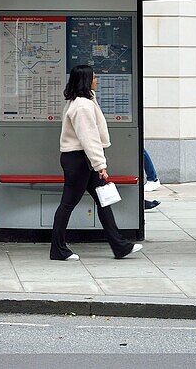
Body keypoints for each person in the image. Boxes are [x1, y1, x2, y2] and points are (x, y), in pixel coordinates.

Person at [50, 64, 142, 261]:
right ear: (86, 80)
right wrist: (101, 165)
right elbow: (89, 138)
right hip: (79, 159)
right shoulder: (82, 106)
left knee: (103, 200)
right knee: (68, 203)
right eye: (94, 77)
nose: (97, 79)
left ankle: (119, 246)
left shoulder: (83, 101)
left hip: (82, 158)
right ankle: (58, 249)